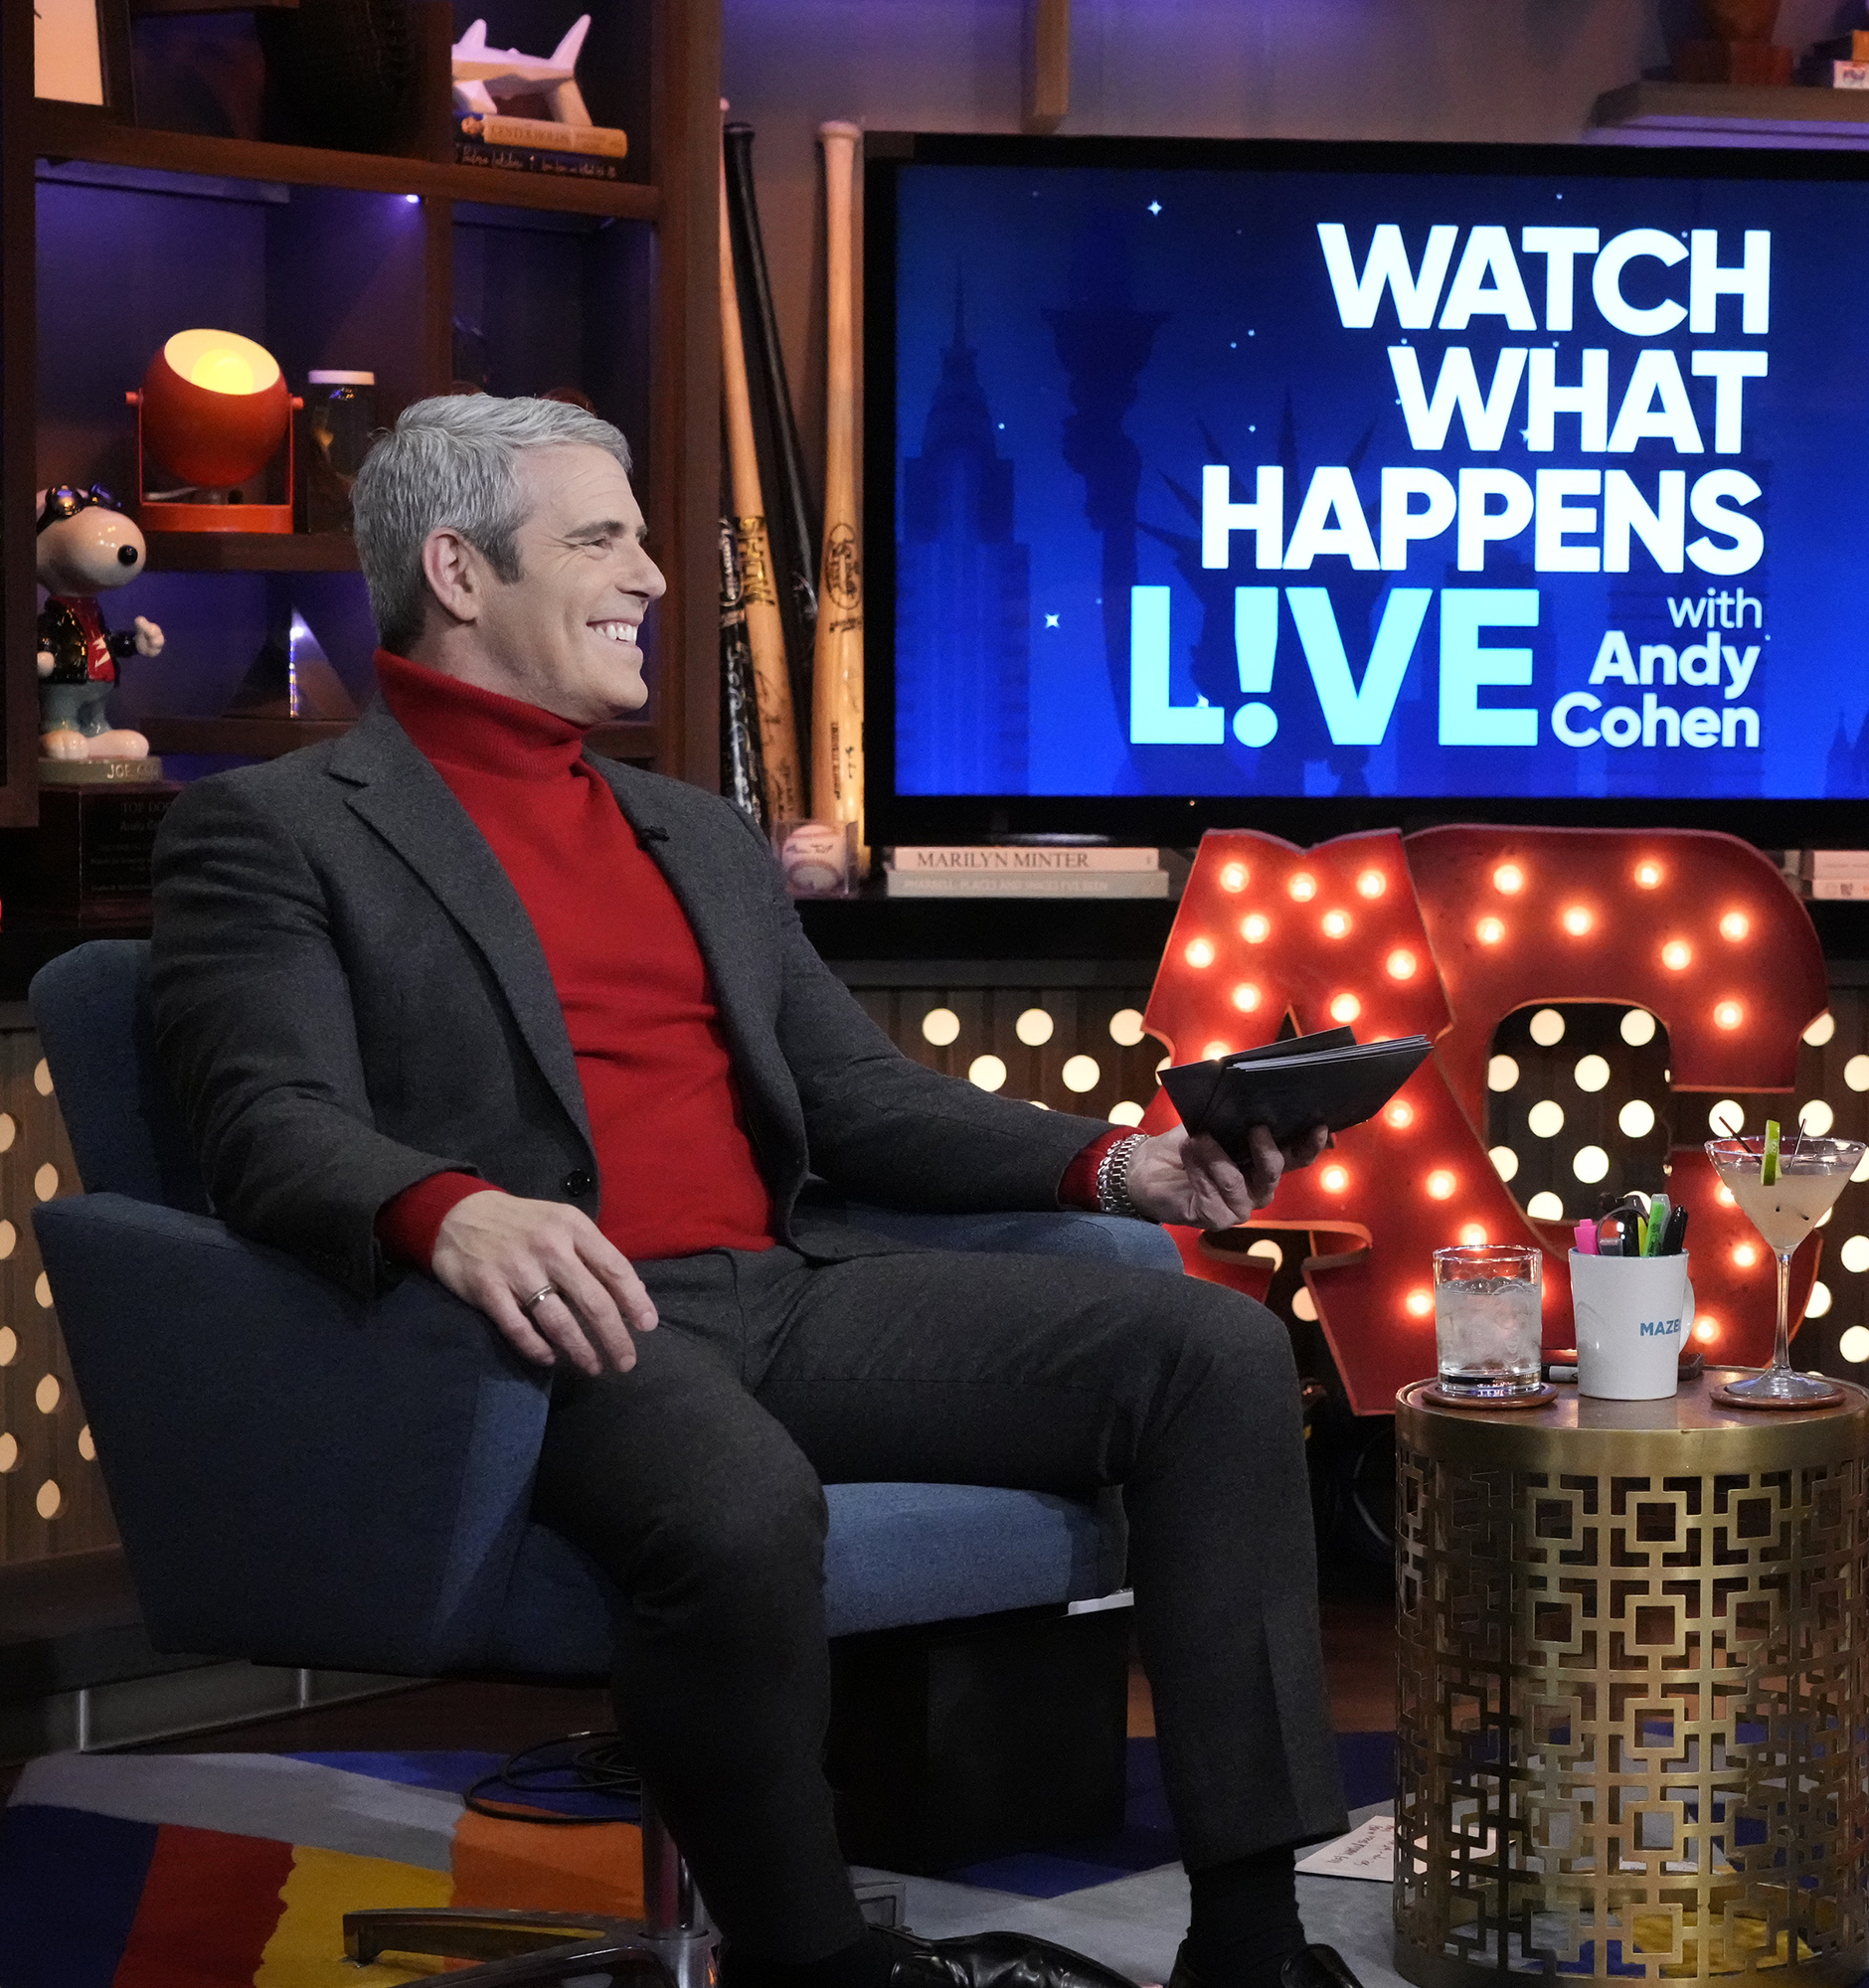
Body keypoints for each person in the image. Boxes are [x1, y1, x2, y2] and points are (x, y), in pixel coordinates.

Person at [146, 396, 1360, 1988]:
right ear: (456, 568)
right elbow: (262, 1116)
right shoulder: (278, 829)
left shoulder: (695, 833)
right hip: (551, 1334)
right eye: (601, 538)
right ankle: (811, 1961)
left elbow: (853, 1097)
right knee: (736, 1502)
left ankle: (1254, 1943)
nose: (653, 574)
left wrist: (1116, 1165)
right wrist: (450, 1206)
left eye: (642, 537)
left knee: (1207, 1357)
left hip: (783, 1295)